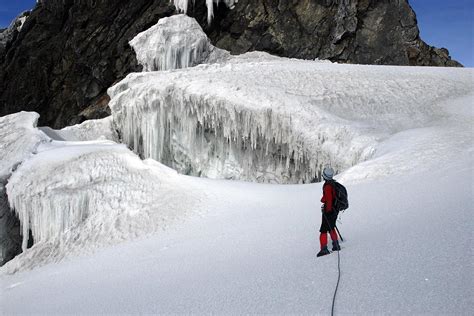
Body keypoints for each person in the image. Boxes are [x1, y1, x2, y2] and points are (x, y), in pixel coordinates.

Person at [317, 166, 341, 257]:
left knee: (323, 230)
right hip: (335, 210)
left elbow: (329, 199)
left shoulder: (327, 186)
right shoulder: (333, 184)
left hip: (329, 211)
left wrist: (327, 211)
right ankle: (336, 245)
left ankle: (324, 249)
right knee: (331, 227)